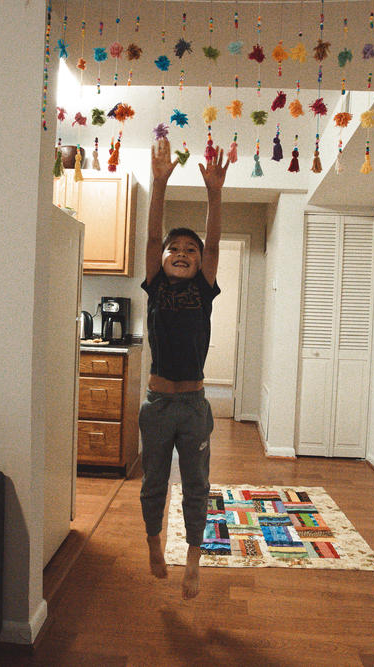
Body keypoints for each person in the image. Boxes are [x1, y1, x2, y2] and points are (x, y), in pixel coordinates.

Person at [139, 136, 229, 599]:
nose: (181, 252)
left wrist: (214, 193)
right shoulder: (155, 286)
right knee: (154, 481)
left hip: (194, 405)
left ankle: (194, 557)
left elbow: (212, 243)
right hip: (157, 403)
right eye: (175, 248)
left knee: (197, 484)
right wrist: (159, 183)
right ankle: (155, 543)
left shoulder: (204, 287)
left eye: (189, 251)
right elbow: (153, 237)